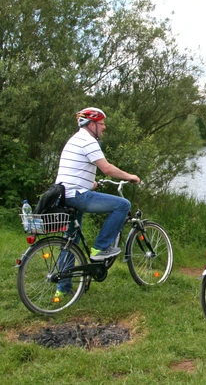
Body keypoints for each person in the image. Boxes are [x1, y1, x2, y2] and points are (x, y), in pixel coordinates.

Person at [54, 107, 140, 297]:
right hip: (78, 195)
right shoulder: (88, 141)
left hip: (64, 194)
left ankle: (63, 287)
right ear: (91, 124)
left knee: (71, 240)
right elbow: (107, 169)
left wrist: (90, 184)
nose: (104, 127)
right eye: (101, 124)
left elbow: (73, 172)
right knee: (122, 205)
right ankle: (100, 248)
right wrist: (130, 176)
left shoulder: (74, 139)